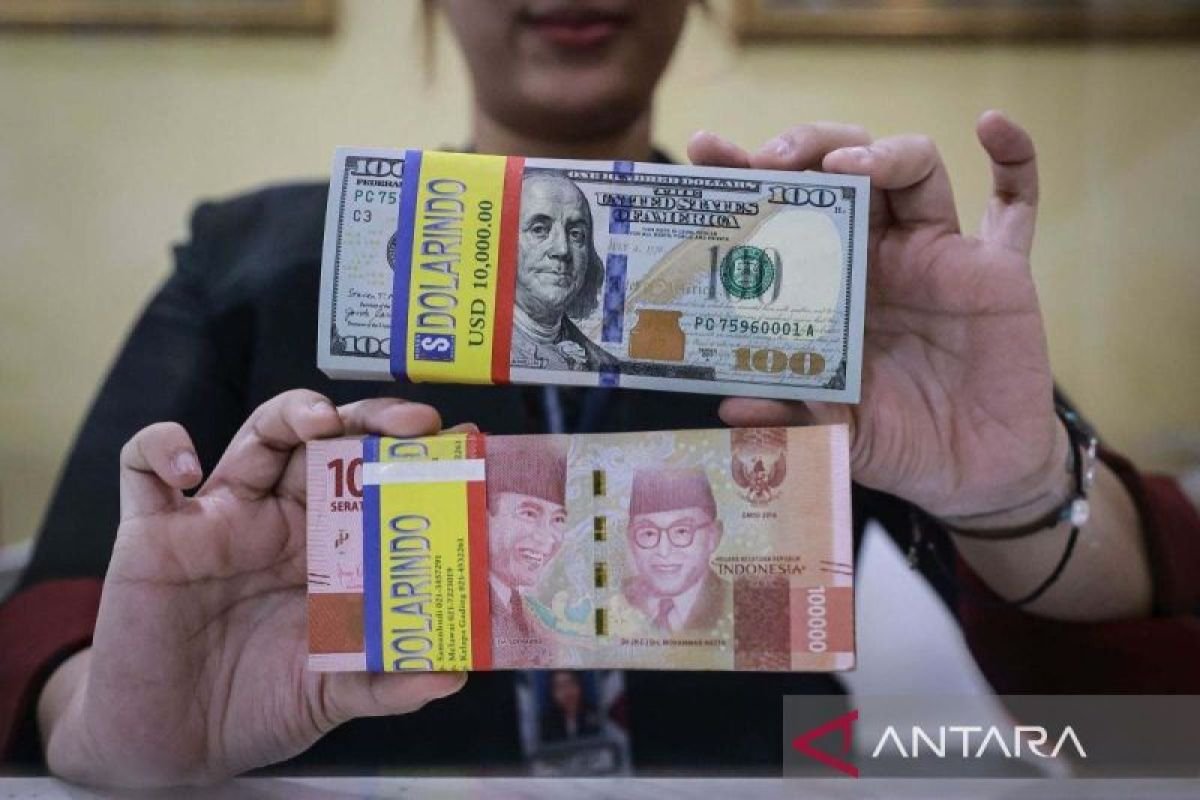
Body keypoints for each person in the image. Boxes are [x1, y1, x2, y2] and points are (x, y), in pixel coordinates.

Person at [2, 0, 1198, 787]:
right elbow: (57, 631)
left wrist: (1019, 490)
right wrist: (110, 725)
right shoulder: (253, 267)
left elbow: (1142, 723)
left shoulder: (827, 283)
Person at [512, 172, 616, 373]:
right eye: (539, 229)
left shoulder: (603, 365)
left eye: (576, 234)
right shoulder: (472, 349)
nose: (562, 249)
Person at [485, 435, 569, 666]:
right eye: (529, 513)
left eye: (558, 519)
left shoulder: (526, 614)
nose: (546, 538)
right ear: (485, 515)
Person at [622, 469, 729, 633]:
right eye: (648, 533)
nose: (664, 551)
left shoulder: (738, 605)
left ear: (713, 537)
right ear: (630, 538)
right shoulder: (610, 599)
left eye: (682, 531)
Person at [539, 671, 602, 743]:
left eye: (571, 683)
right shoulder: (546, 724)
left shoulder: (596, 715)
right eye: (560, 687)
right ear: (552, 693)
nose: (567, 692)